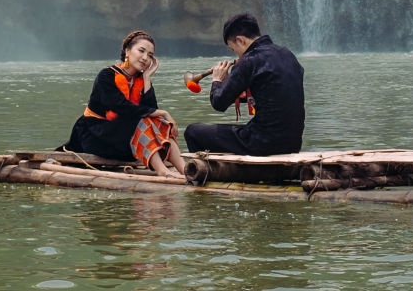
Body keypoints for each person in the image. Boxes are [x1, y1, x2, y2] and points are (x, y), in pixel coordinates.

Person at [63, 29, 188, 181]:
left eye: (150, 55)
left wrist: (147, 77)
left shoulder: (140, 80)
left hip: (123, 137)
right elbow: (120, 106)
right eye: (141, 51)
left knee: (157, 120)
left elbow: (151, 109)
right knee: (147, 119)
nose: (145, 58)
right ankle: (162, 171)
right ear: (127, 51)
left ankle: (185, 170)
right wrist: (162, 113)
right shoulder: (106, 75)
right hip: (96, 135)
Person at [183, 13, 305, 156]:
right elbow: (271, 96)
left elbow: (219, 103)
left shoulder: (249, 60)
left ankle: (206, 173)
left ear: (240, 40)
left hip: (263, 142)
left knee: (193, 131)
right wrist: (231, 80)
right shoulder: (287, 54)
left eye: (233, 49)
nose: (237, 56)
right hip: (293, 142)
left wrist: (217, 80)